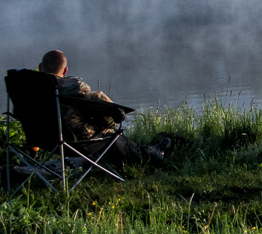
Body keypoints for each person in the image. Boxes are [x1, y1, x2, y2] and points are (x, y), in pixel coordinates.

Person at [37, 50, 169, 166]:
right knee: (110, 134)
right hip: (75, 143)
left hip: (41, 139)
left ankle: (143, 150)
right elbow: (102, 104)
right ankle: (148, 155)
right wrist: (112, 122)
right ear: (65, 71)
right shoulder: (71, 87)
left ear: (40, 67)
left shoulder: (27, 88)